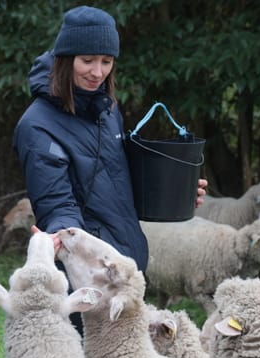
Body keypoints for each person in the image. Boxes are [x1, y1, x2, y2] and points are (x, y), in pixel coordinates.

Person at [13, 5, 207, 273]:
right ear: (66, 59)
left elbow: (116, 184)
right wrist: (62, 236)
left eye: (106, 61)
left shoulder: (107, 110)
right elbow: (56, 204)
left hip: (127, 266)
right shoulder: (36, 125)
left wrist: (174, 188)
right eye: (88, 60)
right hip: (88, 275)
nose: (98, 72)